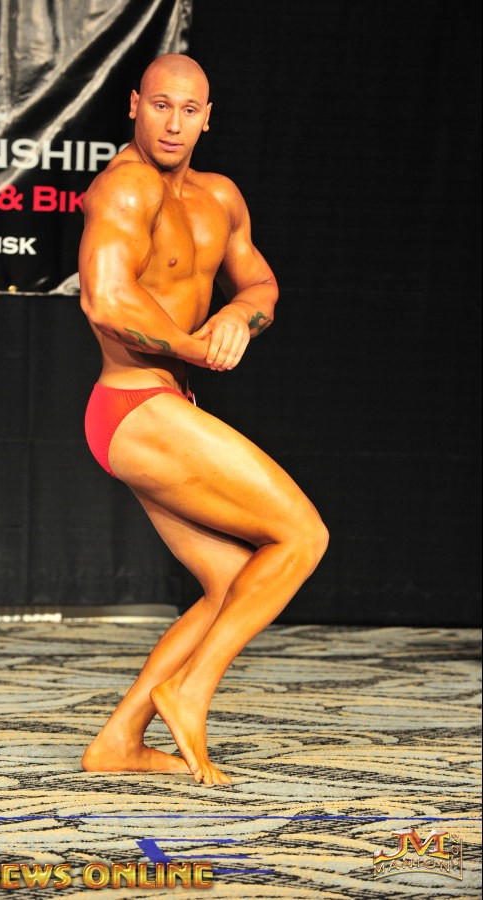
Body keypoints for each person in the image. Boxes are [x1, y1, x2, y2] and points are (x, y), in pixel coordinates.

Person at [78, 53, 328, 786]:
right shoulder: (124, 187)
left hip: (166, 408)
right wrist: (193, 346)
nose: (173, 123)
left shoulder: (220, 196)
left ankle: (120, 739)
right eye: (161, 105)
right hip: (134, 404)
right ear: (134, 105)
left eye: (189, 110)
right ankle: (190, 692)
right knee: (303, 536)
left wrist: (238, 318)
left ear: (208, 118)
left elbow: (259, 282)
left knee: (234, 582)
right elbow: (105, 300)